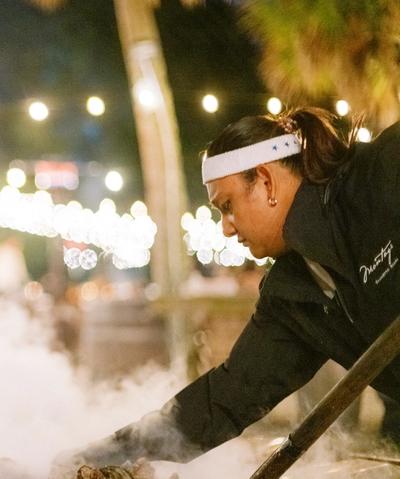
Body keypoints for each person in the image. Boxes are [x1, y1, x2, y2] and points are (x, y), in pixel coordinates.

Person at [51, 107, 400, 475]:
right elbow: (225, 399)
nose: (226, 230)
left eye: (228, 206)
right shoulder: (293, 295)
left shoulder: (382, 171)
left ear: (265, 181)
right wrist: (104, 453)